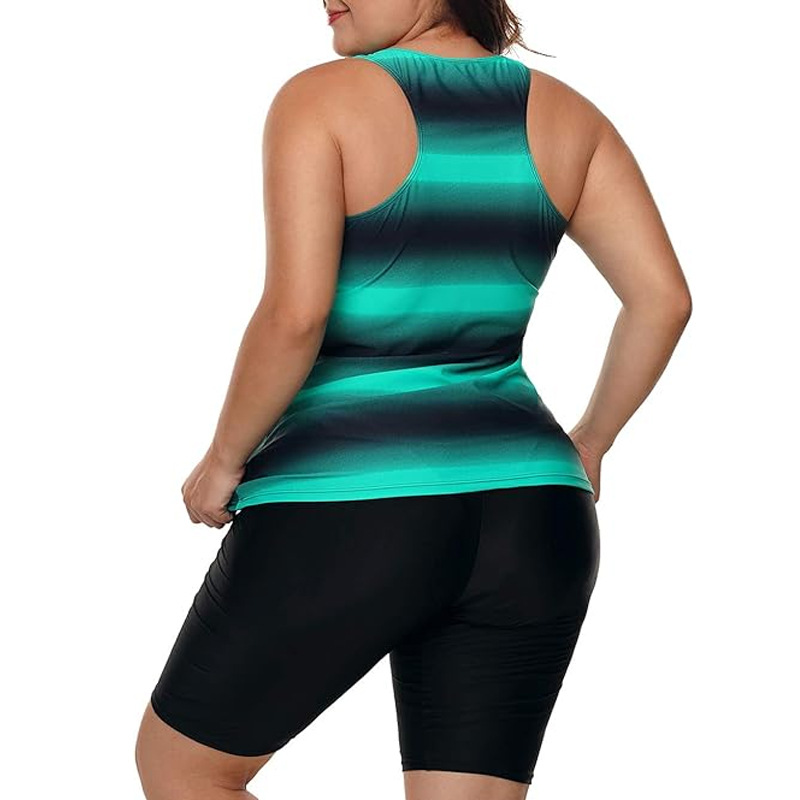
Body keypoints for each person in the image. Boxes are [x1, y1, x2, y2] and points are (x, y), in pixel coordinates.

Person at [135, 1, 692, 798]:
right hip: (536, 515)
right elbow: (664, 300)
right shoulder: (571, 117)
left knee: (184, 769)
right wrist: (592, 442)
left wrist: (224, 459)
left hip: (353, 507)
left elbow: (296, 315)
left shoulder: (324, 98)